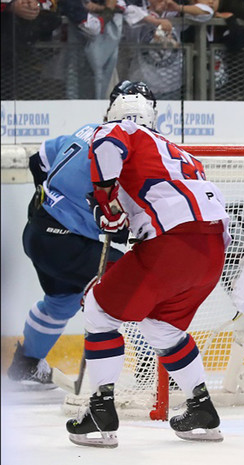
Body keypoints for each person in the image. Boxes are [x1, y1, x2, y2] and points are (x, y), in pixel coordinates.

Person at [64, 83, 232, 448]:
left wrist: (106, 200)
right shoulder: (177, 151)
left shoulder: (117, 129)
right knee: (162, 327)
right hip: (212, 251)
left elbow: (109, 146)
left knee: (97, 307)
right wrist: (117, 215)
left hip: (172, 244)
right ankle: (202, 409)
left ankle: (99, 411)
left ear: (113, 108)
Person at [6, 81, 151, 389]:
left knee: (62, 300)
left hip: (38, 231)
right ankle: (153, 369)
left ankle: (26, 364)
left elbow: (38, 160)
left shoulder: (87, 130)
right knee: (137, 283)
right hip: (67, 242)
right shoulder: (133, 149)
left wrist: (54, 203)